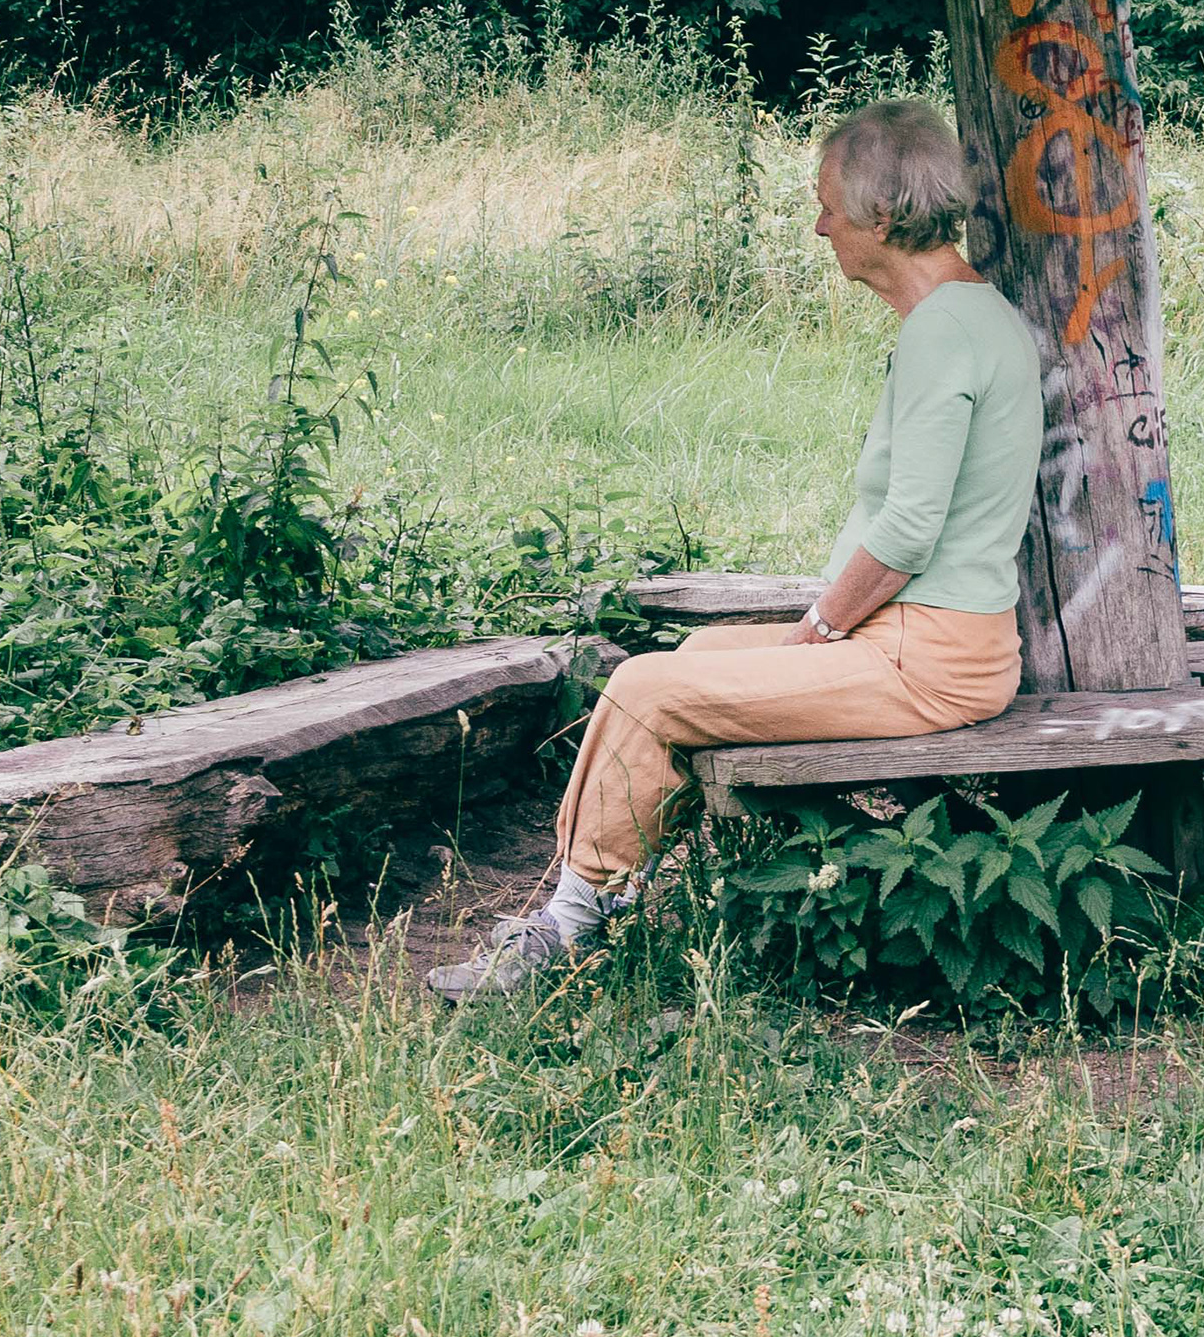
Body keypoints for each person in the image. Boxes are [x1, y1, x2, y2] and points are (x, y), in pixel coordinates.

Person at [427, 98, 1039, 1001]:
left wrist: (820, 629)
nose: (820, 224)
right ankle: (594, 897)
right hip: (930, 639)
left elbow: (908, 534)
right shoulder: (973, 317)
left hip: (926, 656)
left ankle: (566, 927)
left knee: (645, 685)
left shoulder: (943, 330)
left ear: (882, 216)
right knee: (700, 654)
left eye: (830, 204)